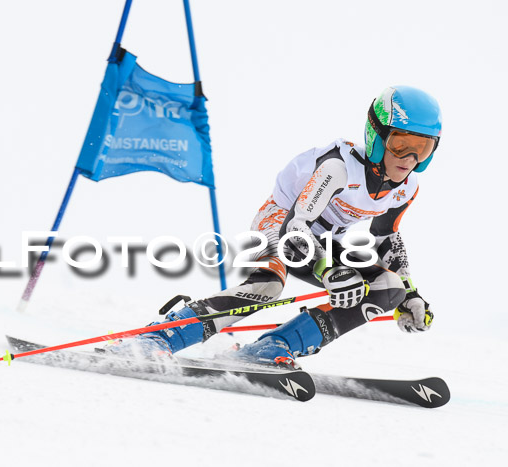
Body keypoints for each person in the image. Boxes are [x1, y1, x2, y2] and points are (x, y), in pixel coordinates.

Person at [110, 85, 441, 367]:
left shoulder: (406, 188)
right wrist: (328, 272)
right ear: (377, 135)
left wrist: (410, 295)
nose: (409, 158)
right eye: (400, 144)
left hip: (322, 242)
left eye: (422, 148)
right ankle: (158, 337)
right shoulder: (338, 168)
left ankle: (273, 347)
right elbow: (295, 231)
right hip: (281, 223)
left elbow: (385, 238)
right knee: (268, 286)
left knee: (389, 287)